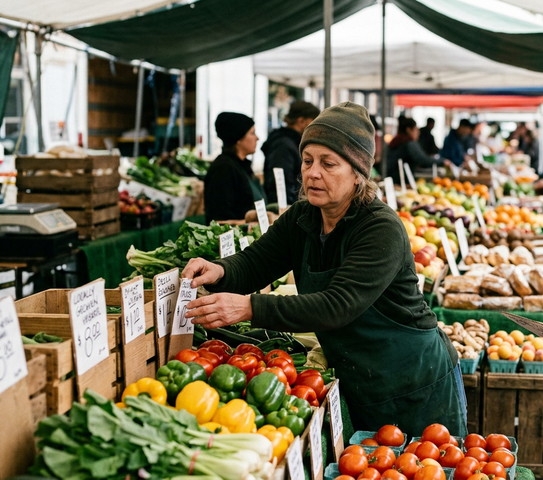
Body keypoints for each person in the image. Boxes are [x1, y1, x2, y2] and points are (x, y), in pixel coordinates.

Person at [183, 102, 468, 437]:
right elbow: (256, 262)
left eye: (328, 163)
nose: (312, 173)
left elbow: (337, 305)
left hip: (416, 382)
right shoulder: (301, 217)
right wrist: (219, 270)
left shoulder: (380, 228)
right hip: (361, 378)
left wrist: (247, 307)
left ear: (358, 173)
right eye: (307, 161)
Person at [204, 112, 264, 223]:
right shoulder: (223, 169)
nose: (257, 138)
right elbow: (220, 218)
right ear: (239, 138)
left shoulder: (242, 165)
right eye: (252, 133)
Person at [263, 101, 320, 205]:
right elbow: (281, 183)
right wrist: (290, 210)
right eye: (313, 122)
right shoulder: (283, 145)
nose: (315, 128)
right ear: (301, 121)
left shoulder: (292, 142)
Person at [387, 116, 448, 184]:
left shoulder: (396, 140)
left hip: (393, 178)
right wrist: (443, 162)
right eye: (416, 130)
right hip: (399, 180)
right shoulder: (409, 143)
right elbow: (423, 159)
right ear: (409, 130)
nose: (418, 133)